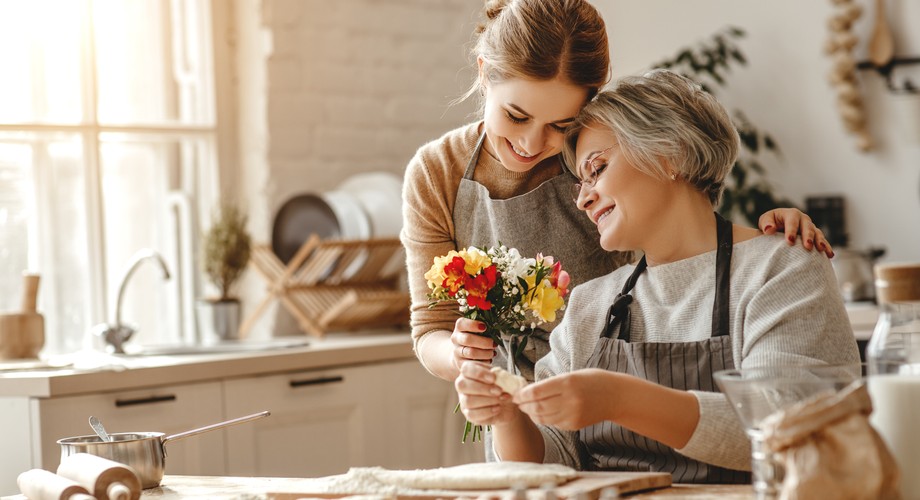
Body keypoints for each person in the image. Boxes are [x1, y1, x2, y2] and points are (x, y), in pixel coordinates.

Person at [453, 69, 861, 482]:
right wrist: (507, 417)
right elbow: (551, 461)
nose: (583, 198)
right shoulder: (590, 304)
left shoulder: (780, 267)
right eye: (580, 182)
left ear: (670, 154)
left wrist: (619, 398)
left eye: (597, 168)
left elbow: (788, 427)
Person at [401, 0, 833, 387]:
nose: (532, 144)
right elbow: (430, 328)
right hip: (515, 406)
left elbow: (683, 242)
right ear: (483, 73)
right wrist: (463, 357)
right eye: (516, 116)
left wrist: (765, 240)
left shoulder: (597, 154)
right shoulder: (437, 172)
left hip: (616, 394)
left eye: (559, 126)